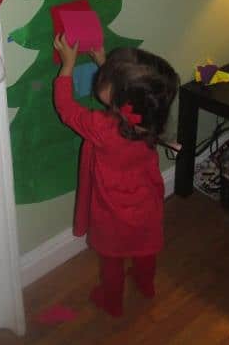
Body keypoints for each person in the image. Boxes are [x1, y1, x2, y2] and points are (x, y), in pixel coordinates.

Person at [53, 35, 179, 317]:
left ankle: (111, 299)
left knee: (112, 261)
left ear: (119, 94)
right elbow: (127, 93)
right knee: (146, 250)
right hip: (147, 205)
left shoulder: (101, 127)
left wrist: (67, 66)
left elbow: (66, 109)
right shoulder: (151, 120)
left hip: (111, 213)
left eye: (108, 77)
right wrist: (104, 61)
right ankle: (146, 284)